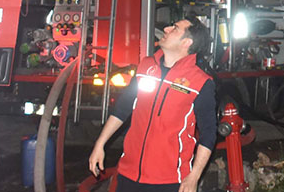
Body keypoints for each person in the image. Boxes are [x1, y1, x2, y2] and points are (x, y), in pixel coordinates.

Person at [89, 17, 216, 192]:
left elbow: (208, 134)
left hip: (169, 181)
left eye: (175, 29)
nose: (166, 29)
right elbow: (122, 109)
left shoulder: (200, 82)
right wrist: (100, 144)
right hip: (128, 174)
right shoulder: (145, 67)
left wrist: (193, 177)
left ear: (186, 42)